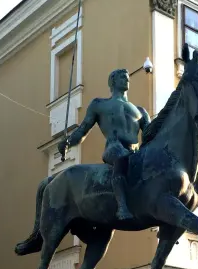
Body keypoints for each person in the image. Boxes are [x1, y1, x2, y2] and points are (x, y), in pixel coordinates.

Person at [58, 68, 150, 221]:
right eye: (122, 77)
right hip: (114, 148)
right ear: (112, 81)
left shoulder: (140, 111)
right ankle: (122, 206)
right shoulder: (100, 104)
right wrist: (69, 142)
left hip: (135, 152)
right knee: (122, 159)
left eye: (127, 77)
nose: (127, 79)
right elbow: (83, 130)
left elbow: (150, 134)